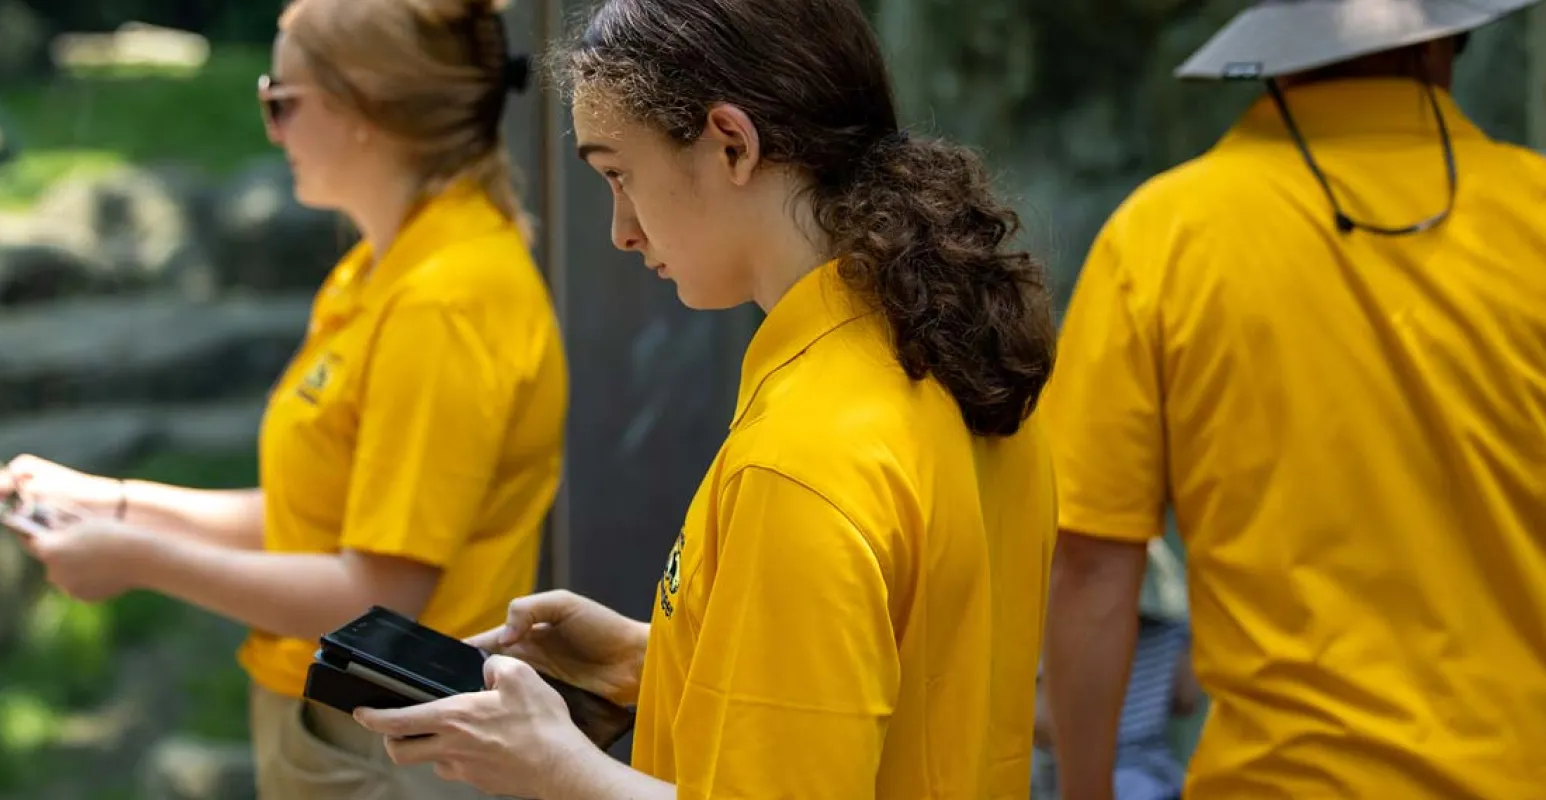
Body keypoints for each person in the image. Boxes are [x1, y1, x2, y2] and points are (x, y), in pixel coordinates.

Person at [350, 1, 1060, 798]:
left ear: (732, 144)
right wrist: (662, 660)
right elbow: (918, 682)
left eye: (618, 172)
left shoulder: (802, 461)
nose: (621, 229)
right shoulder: (956, 361)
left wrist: (551, 763)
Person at [0, 1, 566, 797]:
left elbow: (375, 596)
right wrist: (114, 504)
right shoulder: (384, 268)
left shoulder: (443, 302)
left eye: (281, 101)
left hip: (391, 751)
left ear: (364, 109)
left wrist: (140, 558)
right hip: (349, 730)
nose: (271, 129)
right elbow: (320, 516)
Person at [1039, 1, 1546, 798]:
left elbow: (1092, 565)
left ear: (1275, 42)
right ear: (1448, 38)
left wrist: (1085, 789)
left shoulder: (1163, 237)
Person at [1034, 538, 1200, 800]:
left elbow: (1045, 722)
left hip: (1086, 784)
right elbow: (1186, 697)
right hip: (1159, 783)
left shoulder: (1062, 628)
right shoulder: (1171, 615)